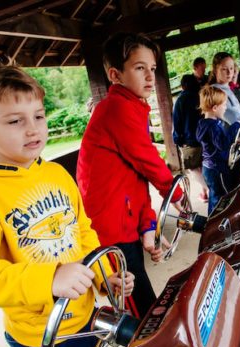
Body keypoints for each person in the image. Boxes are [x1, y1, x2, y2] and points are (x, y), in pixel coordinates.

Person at [0, 64, 134, 347]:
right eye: (14, 121)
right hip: (43, 334)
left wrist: (105, 277)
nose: (32, 129)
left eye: (38, 116)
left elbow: (82, 231)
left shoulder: (57, 174)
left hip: (86, 315)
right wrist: (49, 280)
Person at [77, 32, 183, 320]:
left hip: (124, 221)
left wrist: (147, 224)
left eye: (152, 68)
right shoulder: (116, 109)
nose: (150, 76)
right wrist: (178, 196)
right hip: (110, 228)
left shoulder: (134, 108)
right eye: (139, 68)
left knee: (142, 294)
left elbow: (137, 176)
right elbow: (149, 162)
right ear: (115, 75)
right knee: (137, 304)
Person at [196, 85, 240, 215]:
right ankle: (219, 225)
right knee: (223, 198)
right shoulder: (213, 127)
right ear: (215, 108)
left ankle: (211, 222)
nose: (226, 107)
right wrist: (236, 126)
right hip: (217, 169)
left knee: (214, 196)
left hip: (208, 168)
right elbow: (224, 144)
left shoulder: (203, 124)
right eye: (224, 105)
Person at [172, 74, 208, 202]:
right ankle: (204, 193)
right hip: (205, 137)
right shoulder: (202, 96)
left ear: (183, 86)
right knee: (203, 165)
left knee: (192, 168)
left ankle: (208, 189)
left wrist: (177, 139)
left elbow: (176, 121)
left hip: (190, 140)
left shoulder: (181, 100)